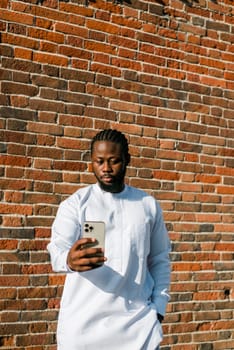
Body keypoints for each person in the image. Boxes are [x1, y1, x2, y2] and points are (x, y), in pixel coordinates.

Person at [47, 129, 171, 350]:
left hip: (139, 325)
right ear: (92, 162)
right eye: (99, 161)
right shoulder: (76, 204)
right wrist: (69, 260)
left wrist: (159, 308)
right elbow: (57, 250)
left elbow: (159, 259)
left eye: (113, 161)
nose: (106, 168)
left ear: (126, 160)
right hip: (83, 327)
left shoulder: (147, 205)